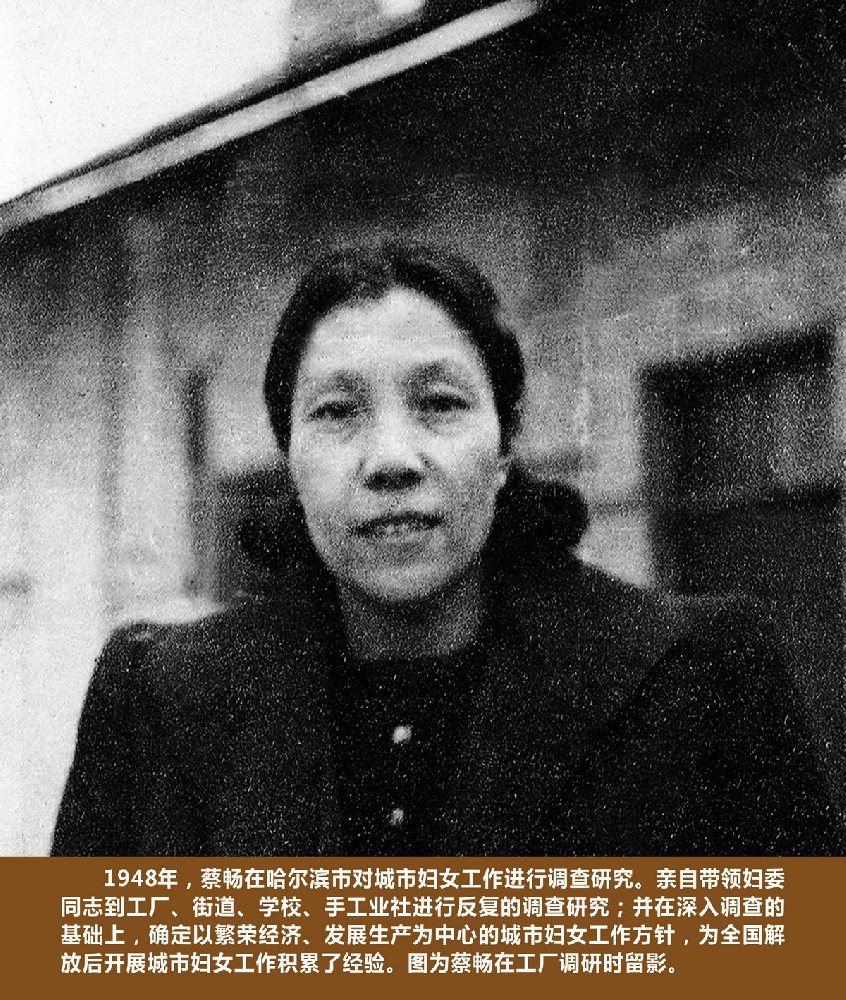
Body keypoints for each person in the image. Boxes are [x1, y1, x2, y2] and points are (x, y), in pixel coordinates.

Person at [53, 241, 842, 857]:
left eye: (439, 402)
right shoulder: (155, 698)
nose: (392, 460)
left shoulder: (701, 676)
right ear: (288, 457)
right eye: (337, 411)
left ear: (504, 447)